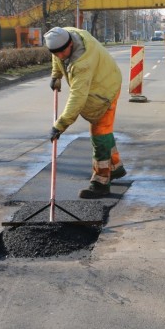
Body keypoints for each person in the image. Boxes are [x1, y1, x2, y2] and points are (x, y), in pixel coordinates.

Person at [45, 26, 126, 199]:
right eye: (55, 53)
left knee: (99, 133)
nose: (59, 56)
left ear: (70, 44)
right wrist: (56, 75)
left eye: (62, 52)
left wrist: (60, 125)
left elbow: (77, 98)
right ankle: (115, 168)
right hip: (103, 77)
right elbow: (57, 58)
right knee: (101, 129)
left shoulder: (82, 63)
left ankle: (101, 183)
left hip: (105, 89)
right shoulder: (64, 34)